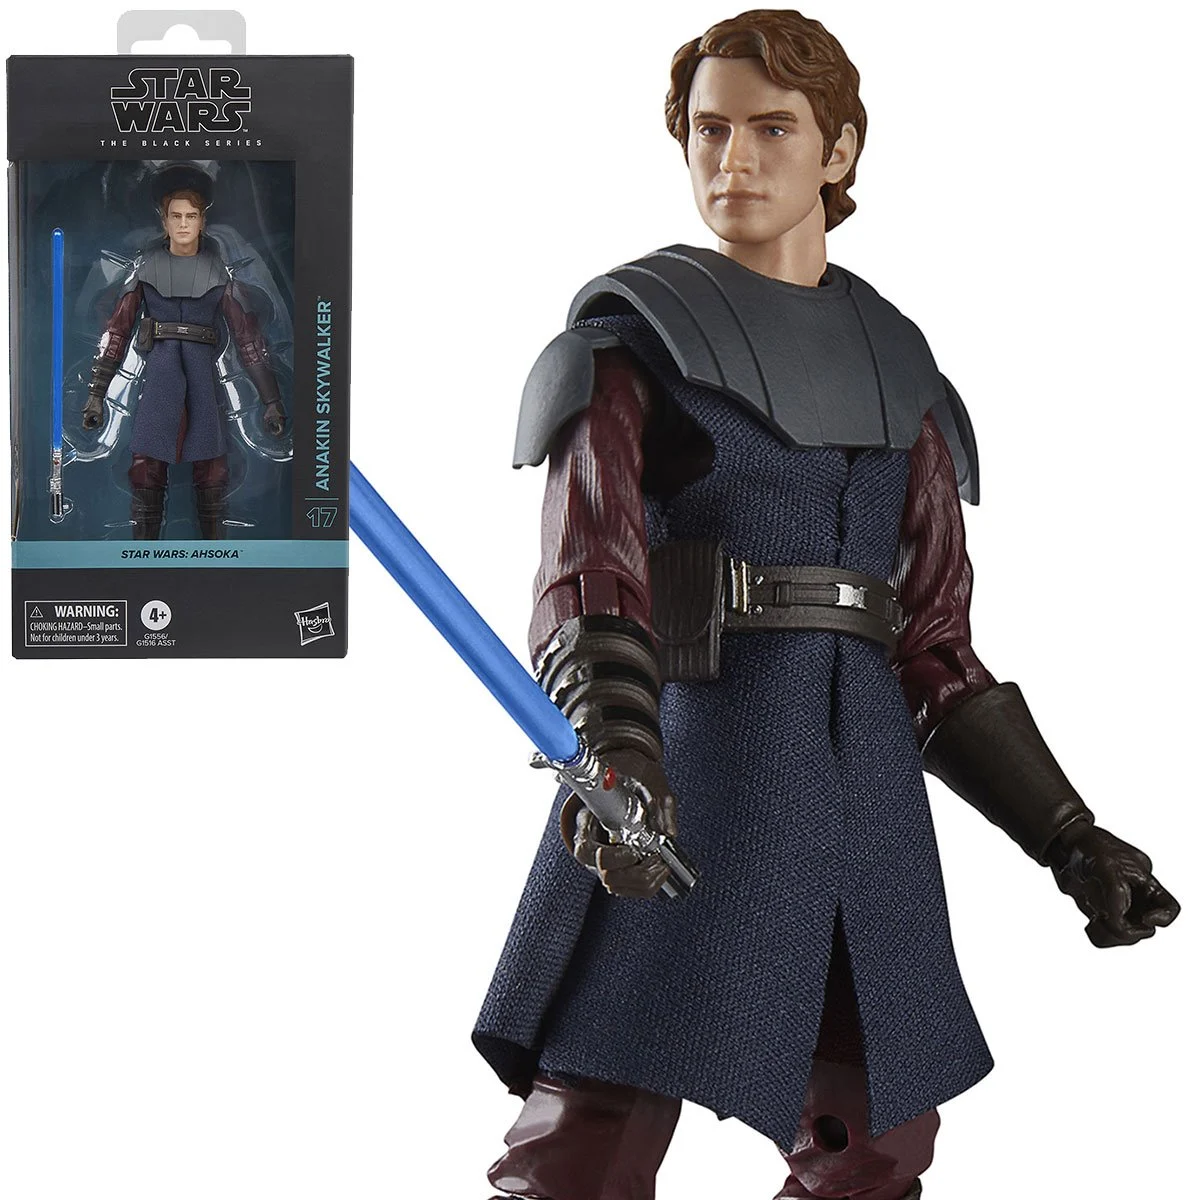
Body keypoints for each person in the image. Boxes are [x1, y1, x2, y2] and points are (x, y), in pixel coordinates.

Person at [473, 11, 1179, 1200]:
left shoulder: (901, 370)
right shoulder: (628, 348)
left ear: (837, 150)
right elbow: (591, 583)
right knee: (595, 1121)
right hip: (692, 772)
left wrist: (1069, 836)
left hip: (863, 807)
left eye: (771, 129)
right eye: (709, 131)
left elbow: (936, 648)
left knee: (878, 1136)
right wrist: (620, 752)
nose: (733, 160)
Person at [82, 164, 286, 539]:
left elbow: (248, 339)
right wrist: (97, 395)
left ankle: (214, 553)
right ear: (164, 220)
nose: (183, 224)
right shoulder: (145, 270)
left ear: (202, 220)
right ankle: (143, 553)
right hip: (159, 375)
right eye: (176, 216)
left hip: (203, 378)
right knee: (146, 466)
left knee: (212, 467)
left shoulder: (219, 273)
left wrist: (270, 400)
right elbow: (118, 332)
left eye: (191, 216)